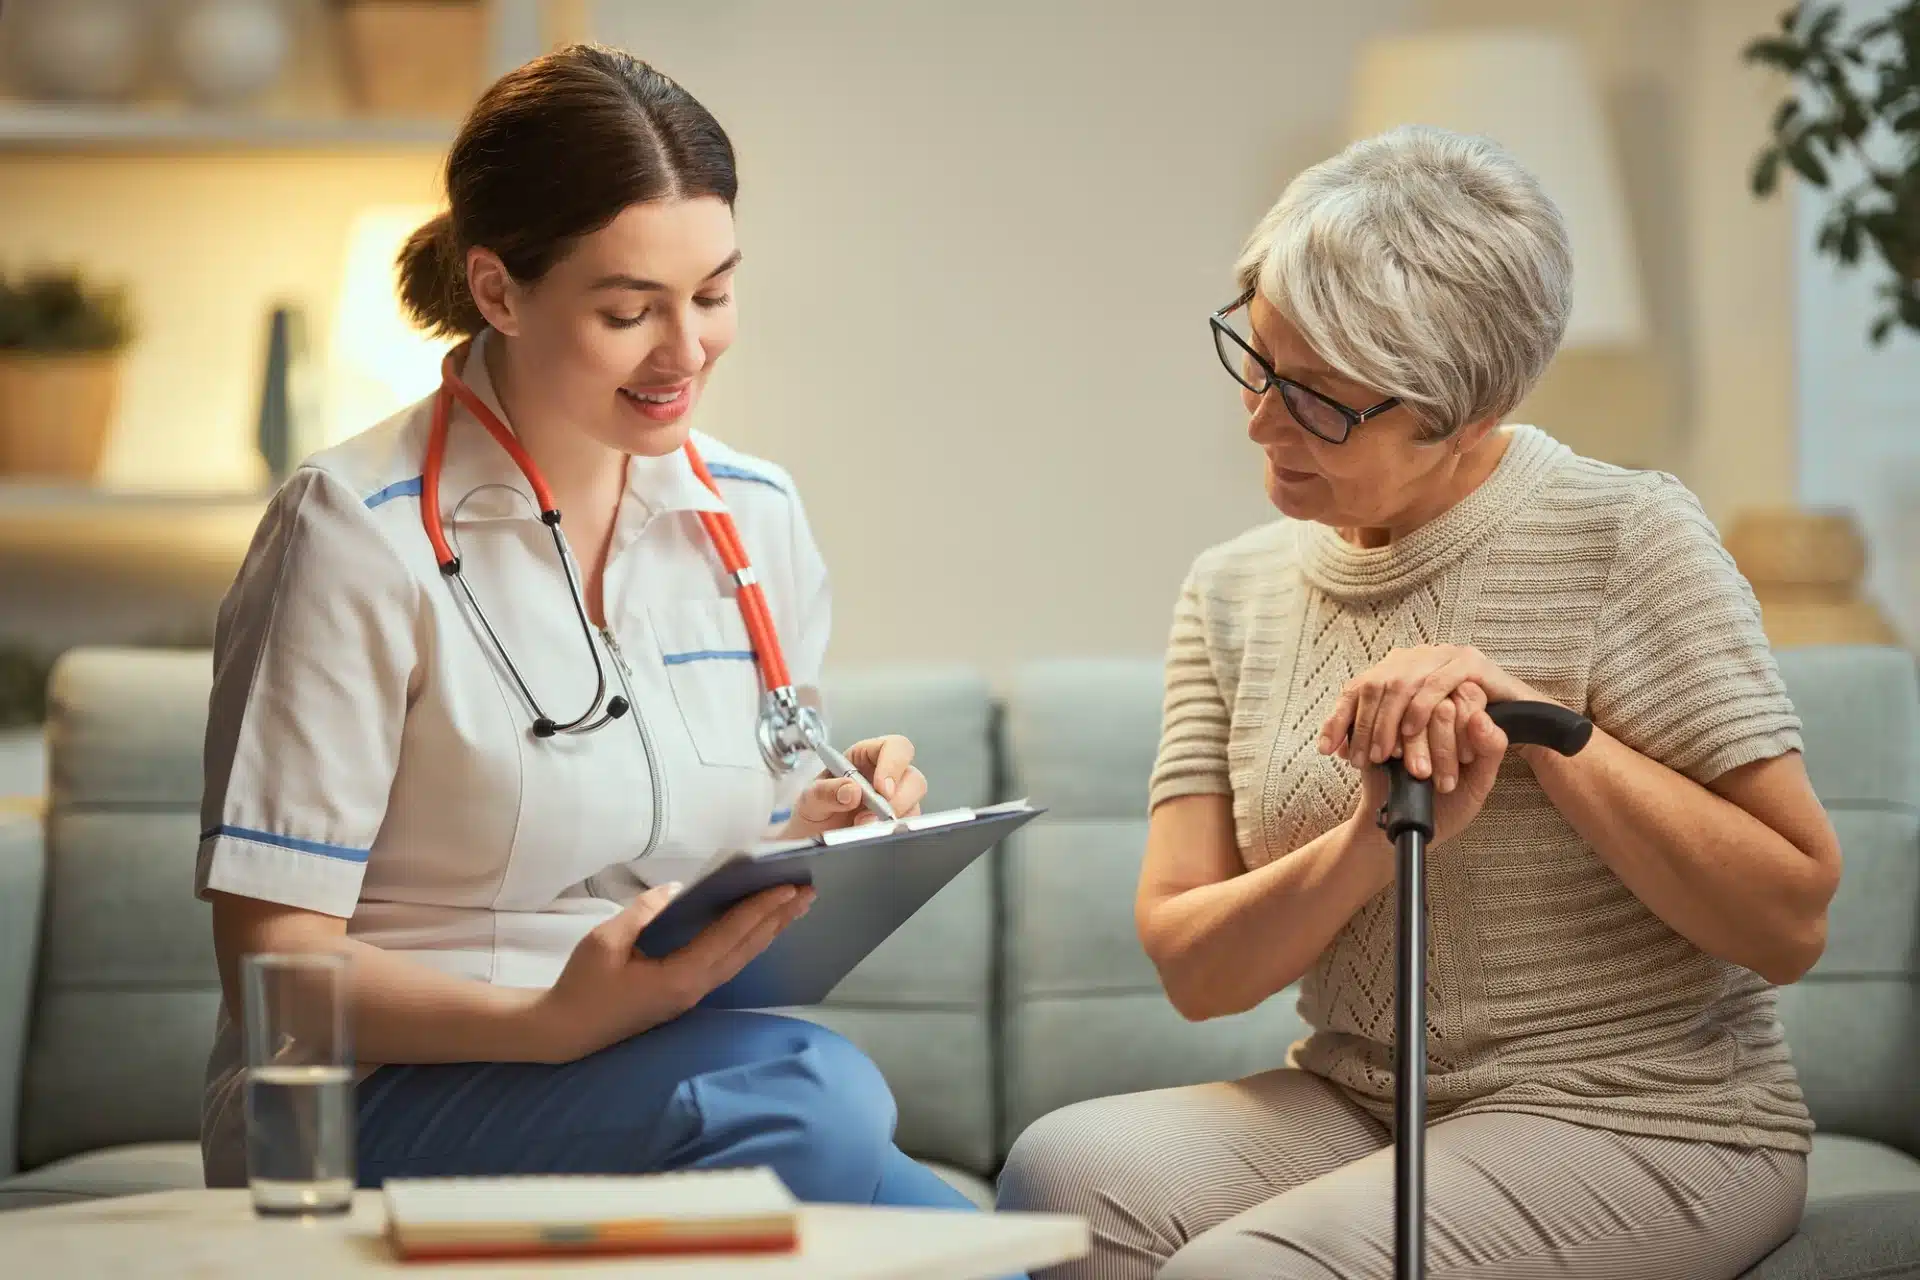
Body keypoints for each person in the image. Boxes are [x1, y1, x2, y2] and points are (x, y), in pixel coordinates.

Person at [995, 125, 1843, 1280]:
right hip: (1361, 1099)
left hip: (1648, 1116)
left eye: (1319, 402)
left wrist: (1539, 720)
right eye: (1258, 359)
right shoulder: (1234, 589)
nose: (1259, 420)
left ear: (1470, 409)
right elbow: (1199, 969)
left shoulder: (1625, 535)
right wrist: (1373, 836)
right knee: (1063, 1175)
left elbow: (1790, 918)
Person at [195, 44, 978, 1214]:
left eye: (712, 294)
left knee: (980, 1244)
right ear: (500, 290)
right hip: (370, 1092)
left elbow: (697, 838)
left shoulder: (753, 515)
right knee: (813, 1097)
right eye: (629, 311)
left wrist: (814, 819)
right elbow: (275, 965)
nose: (687, 352)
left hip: (656, 1061)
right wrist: (547, 1021)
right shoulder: (350, 534)